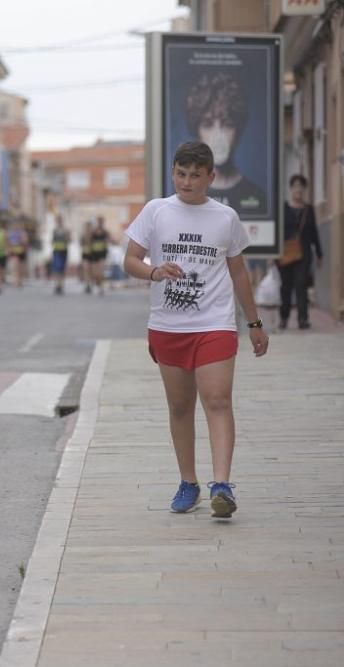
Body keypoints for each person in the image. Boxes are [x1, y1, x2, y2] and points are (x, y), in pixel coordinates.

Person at [123, 140, 268, 519]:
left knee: (217, 400)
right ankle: (189, 483)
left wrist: (254, 323)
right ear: (173, 172)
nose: (187, 183)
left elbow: (238, 271)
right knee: (180, 406)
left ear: (210, 177)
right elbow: (130, 261)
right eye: (181, 174)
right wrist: (154, 271)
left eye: (195, 176)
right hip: (168, 325)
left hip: (215, 324)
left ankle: (222, 485)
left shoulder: (225, 217)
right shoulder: (156, 211)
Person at [185, 72, 267, 218]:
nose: (218, 137)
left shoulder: (257, 197)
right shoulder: (186, 195)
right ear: (197, 132)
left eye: (227, 124)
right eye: (208, 125)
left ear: (238, 129)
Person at [277, 174, 322, 330]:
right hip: (285, 253)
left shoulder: (309, 209)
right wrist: (274, 252)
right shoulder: (283, 207)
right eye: (295, 186)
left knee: (301, 285)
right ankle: (283, 318)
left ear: (304, 189)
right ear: (291, 189)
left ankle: (303, 319)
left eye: (301, 186)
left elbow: (314, 231)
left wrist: (319, 253)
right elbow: (277, 231)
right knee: (286, 286)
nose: (298, 189)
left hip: (304, 253)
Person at [49, 215, 70, 295]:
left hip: (63, 251)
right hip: (56, 251)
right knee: (56, 268)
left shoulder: (66, 230)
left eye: (60, 220)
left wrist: (66, 236)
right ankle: (56, 284)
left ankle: (61, 285)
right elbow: (52, 241)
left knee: (62, 268)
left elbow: (69, 240)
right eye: (57, 220)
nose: (59, 222)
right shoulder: (54, 230)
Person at [89, 216, 110, 296]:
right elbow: (88, 241)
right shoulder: (93, 232)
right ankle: (97, 284)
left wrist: (107, 241)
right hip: (94, 254)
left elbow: (110, 240)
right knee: (95, 273)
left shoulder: (105, 232)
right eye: (99, 221)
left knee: (100, 272)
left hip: (102, 254)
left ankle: (101, 287)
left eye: (102, 221)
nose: (100, 223)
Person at [7, 221, 29, 288]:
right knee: (15, 266)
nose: (16, 226)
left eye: (18, 225)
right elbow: (8, 242)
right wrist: (9, 249)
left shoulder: (23, 233)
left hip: (21, 252)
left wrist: (22, 244)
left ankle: (20, 281)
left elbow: (25, 242)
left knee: (20, 268)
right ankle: (15, 281)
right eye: (15, 225)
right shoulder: (11, 233)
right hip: (14, 252)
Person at [80, 221, 94, 294]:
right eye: (87, 227)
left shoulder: (93, 235)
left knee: (90, 270)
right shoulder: (83, 235)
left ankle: (90, 284)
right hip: (85, 254)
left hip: (92, 254)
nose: (88, 228)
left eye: (89, 227)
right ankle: (87, 284)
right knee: (86, 269)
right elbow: (81, 244)